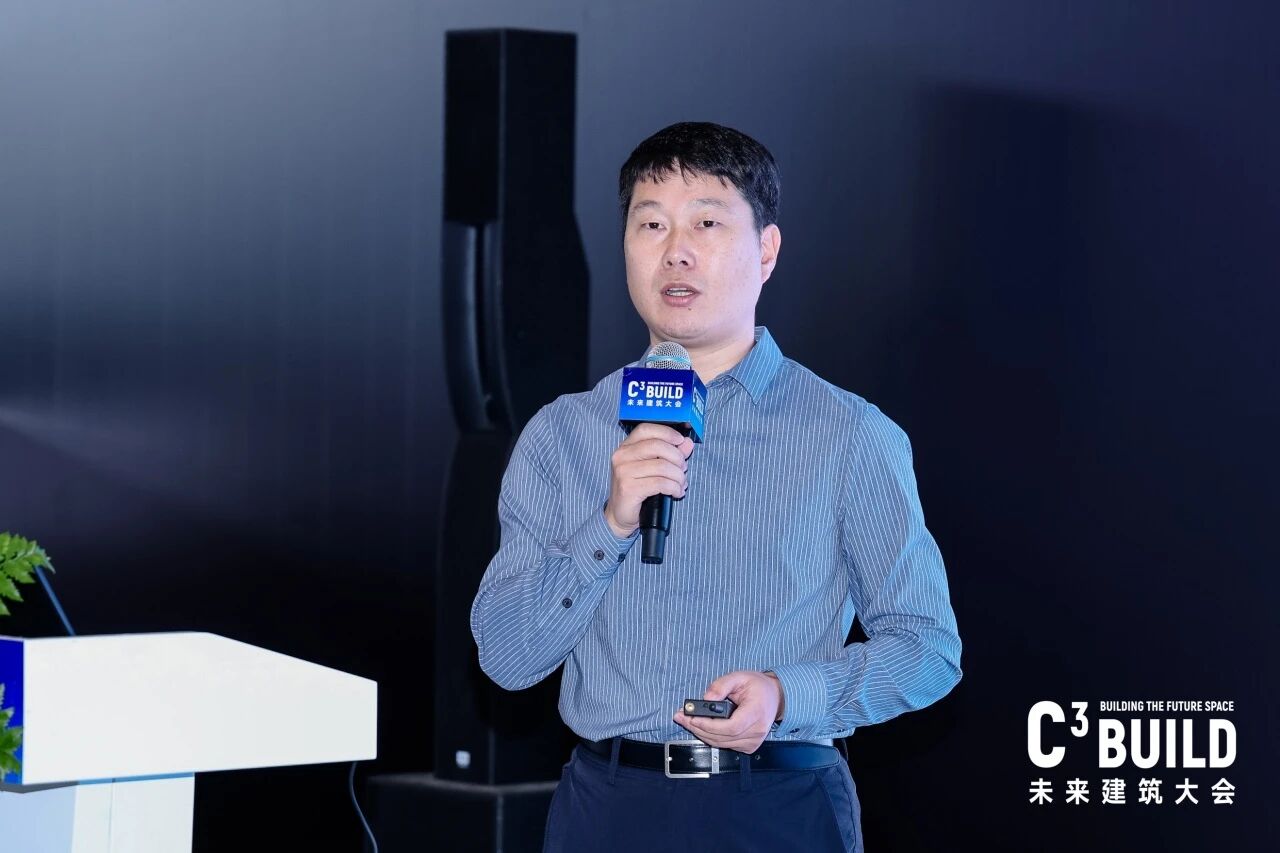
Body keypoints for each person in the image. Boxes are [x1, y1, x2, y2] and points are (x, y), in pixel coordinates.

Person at [470, 121, 962, 852]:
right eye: (651, 224)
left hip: (777, 808)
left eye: (706, 222)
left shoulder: (848, 433)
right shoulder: (563, 433)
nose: (676, 250)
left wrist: (788, 693)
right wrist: (609, 524)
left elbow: (928, 648)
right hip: (607, 809)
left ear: (766, 250)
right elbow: (507, 658)